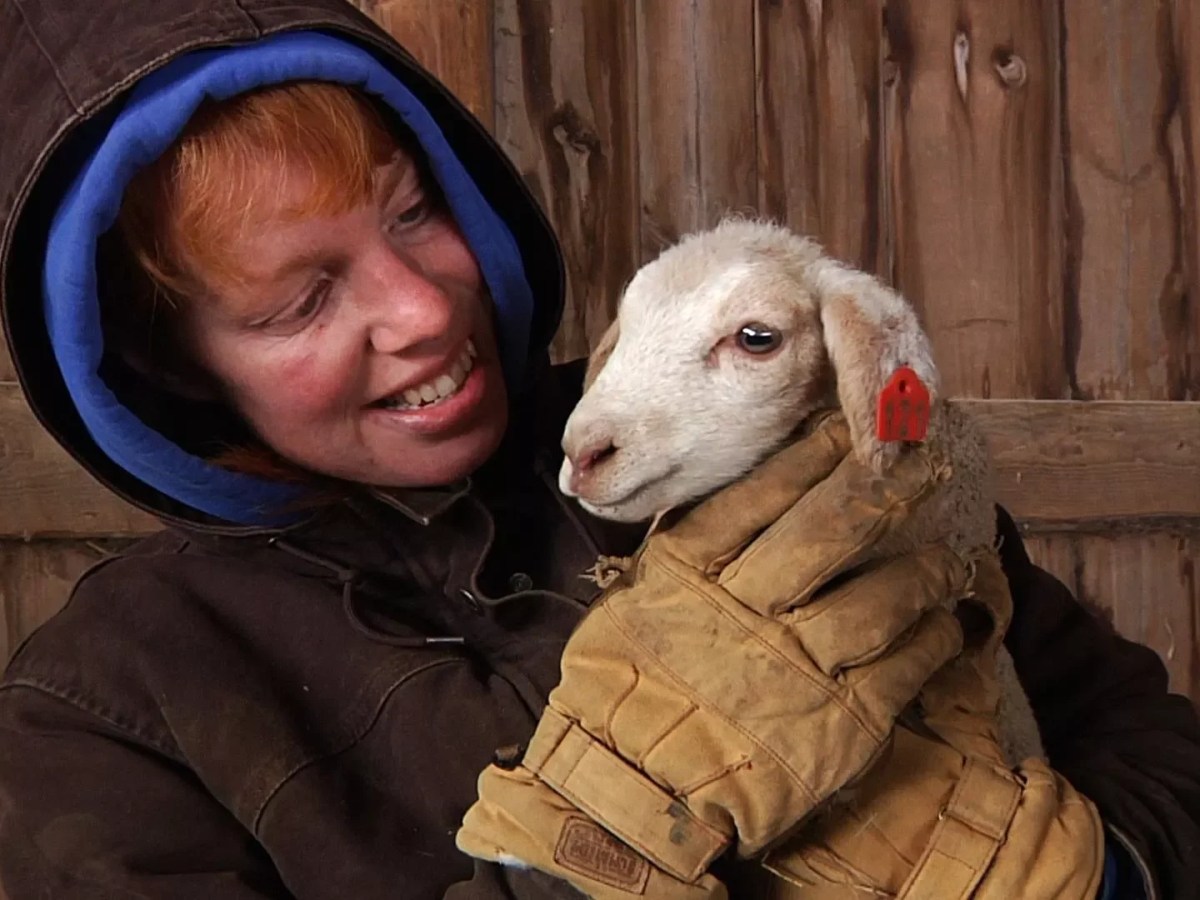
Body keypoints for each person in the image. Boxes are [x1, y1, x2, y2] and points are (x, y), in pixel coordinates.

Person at [0, 1, 1195, 898]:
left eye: (415, 210)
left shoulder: (786, 450)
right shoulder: (103, 705)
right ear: (159, 362)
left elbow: (1161, 758)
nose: (421, 308)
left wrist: (1084, 878)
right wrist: (587, 855)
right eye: (299, 302)